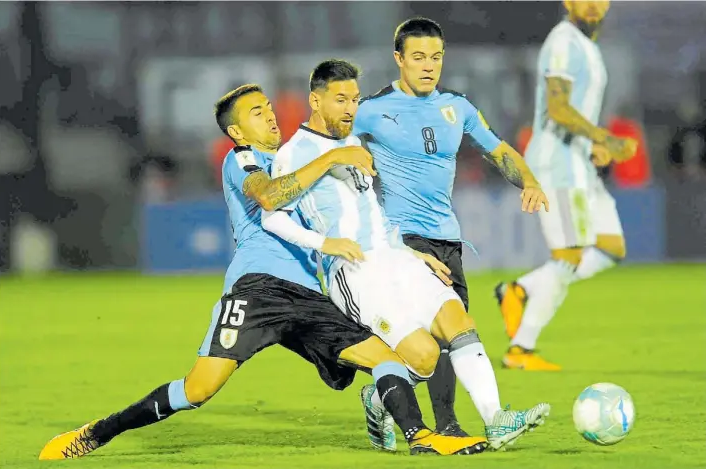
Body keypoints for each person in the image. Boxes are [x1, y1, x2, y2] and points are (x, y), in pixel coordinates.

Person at [38, 85, 488, 460]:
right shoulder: (245, 159)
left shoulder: (300, 154)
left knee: (388, 358)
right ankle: (98, 432)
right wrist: (331, 160)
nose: (271, 117)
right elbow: (269, 197)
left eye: (270, 108)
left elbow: (360, 218)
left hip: (313, 295)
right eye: (257, 112)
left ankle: (420, 436)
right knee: (198, 389)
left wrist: (408, 253)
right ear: (237, 130)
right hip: (259, 291)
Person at [262, 59, 551, 452]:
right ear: (316, 100)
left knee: (458, 321)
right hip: (354, 270)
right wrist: (324, 245)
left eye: (355, 99)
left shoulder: (353, 143)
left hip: (394, 256)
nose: (350, 108)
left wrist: (411, 253)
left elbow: (373, 212)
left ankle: (496, 419)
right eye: (340, 99)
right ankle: (379, 396)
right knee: (425, 356)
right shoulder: (296, 152)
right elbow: (272, 216)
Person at [351, 17, 551, 445]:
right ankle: (459, 423)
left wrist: (529, 181)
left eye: (436, 57)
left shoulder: (456, 107)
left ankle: (384, 393)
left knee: (445, 338)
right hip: (404, 243)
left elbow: (498, 149)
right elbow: (331, 146)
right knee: (450, 329)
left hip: (448, 237)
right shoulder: (371, 108)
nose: (428, 66)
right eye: (418, 57)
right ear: (398, 59)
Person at [495, 0, 638, 370]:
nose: (593, 5)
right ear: (567, 2)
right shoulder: (562, 41)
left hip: (579, 160)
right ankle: (520, 350)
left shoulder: (587, 45)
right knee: (570, 255)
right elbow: (558, 109)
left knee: (610, 247)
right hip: (558, 161)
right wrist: (603, 137)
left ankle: (521, 289)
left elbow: (576, 109)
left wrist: (592, 144)